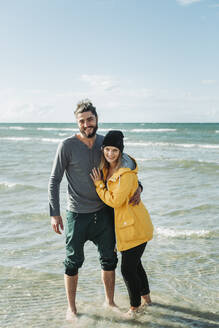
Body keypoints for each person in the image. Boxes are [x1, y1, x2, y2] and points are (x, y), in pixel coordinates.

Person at [48, 100, 141, 321]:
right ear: (77, 123)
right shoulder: (67, 146)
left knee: (109, 260)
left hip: (104, 213)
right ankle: (71, 307)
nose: (86, 124)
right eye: (82, 121)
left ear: (96, 119)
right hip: (77, 215)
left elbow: (127, 166)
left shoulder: (104, 143)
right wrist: (54, 213)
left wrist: (139, 187)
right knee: (72, 262)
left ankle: (109, 302)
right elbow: (54, 180)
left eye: (90, 119)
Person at [90, 130, 154, 318]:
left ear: (120, 152)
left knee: (127, 269)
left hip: (134, 227)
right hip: (128, 226)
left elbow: (115, 201)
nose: (110, 154)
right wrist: (139, 186)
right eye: (107, 149)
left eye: (115, 150)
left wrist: (99, 185)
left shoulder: (124, 173)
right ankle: (147, 300)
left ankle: (134, 308)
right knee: (136, 266)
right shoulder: (107, 167)